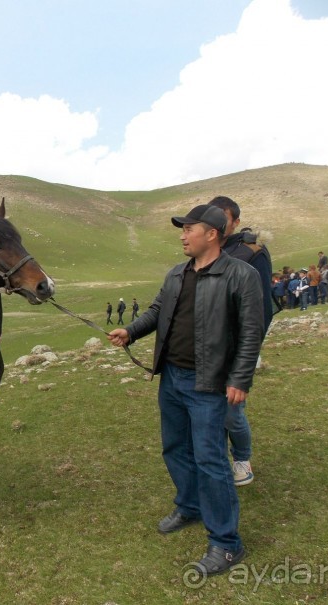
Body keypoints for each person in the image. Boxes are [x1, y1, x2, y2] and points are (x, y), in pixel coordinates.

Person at [108, 203, 264, 578]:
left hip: (209, 383)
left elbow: (250, 332)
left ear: (211, 233)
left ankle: (227, 543)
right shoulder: (176, 274)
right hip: (172, 378)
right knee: (175, 447)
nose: (182, 235)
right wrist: (131, 331)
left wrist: (240, 380)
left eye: (188, 229)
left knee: (211, 460)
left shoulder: (240, 275)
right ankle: (190, 505)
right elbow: (157, 311)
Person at [207, 196, 273, 487]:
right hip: (206, 347)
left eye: (224, 218)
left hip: (236, 348)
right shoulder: (205, 250)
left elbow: (262, 310)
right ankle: (217, 460)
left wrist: (248, 354)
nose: (218, 223)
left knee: (233, 412)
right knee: (210, 410)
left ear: (234, 222)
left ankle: (242, 460)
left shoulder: (253, 252)